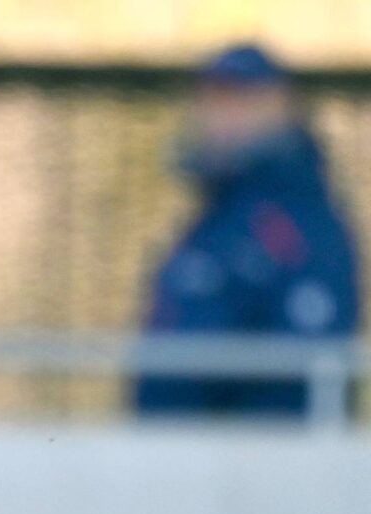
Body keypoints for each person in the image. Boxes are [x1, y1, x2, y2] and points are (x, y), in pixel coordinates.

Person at [137, 42, 361, 415]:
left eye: (242, 99)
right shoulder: (212, 222)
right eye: (213, 99)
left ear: (284, 108)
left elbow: (308, 363)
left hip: (247, 448)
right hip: (168, 445)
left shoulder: (301, 226)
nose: (223, 117)